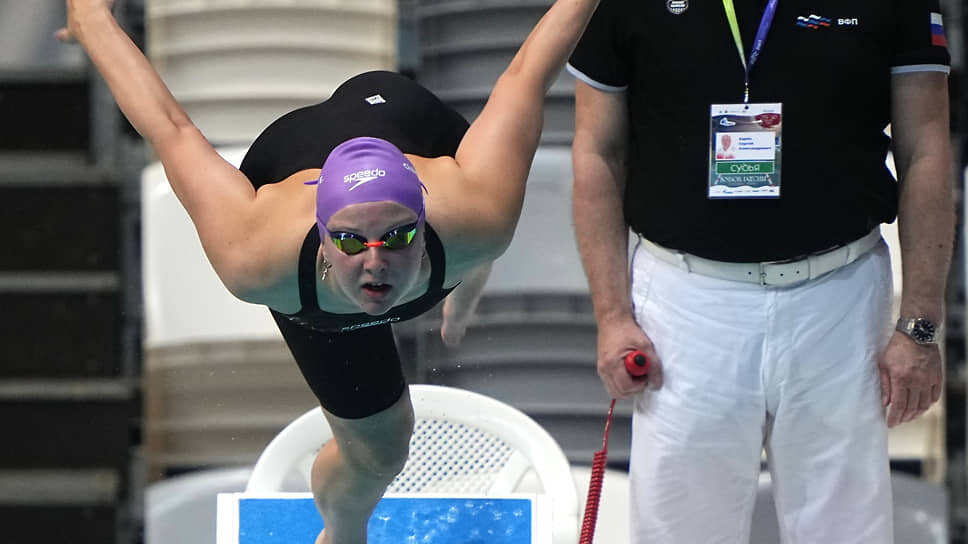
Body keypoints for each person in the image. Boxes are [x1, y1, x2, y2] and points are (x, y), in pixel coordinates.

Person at [58, 0, 600, 542]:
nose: (374, 264)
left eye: (398, 237)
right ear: (321, 237)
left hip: (404, 117)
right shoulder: (257, 255)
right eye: (348, 242)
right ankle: (342, 535)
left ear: (423, 215)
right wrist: (92, 19)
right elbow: (170, 128)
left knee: (486, 236)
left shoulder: (476, 213)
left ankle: (467, 275)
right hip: (290, 155)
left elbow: (526, 76)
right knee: (382, 450)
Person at [567, 1, 953, 542]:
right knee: (681, 529)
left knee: (845, 530)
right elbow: (596, 151)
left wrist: (920, 326)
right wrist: (611, 315)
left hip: (838, 299)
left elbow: (927, 150)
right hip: (685, 301)